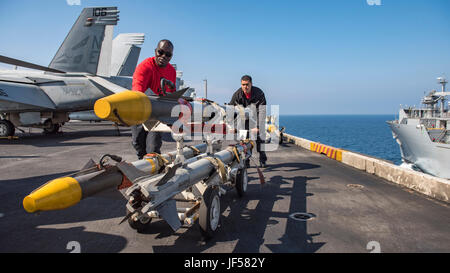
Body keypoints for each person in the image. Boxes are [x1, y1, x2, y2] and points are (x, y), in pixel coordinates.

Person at [131, 39, 176, 159]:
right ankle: (142, 165)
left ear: (171, 56)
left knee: (153, 147)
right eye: (160, 52)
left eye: (168, 54)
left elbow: (171, 95)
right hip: (140, 110)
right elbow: (137, 91)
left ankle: (154, 170)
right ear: (155, 51)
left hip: (156, 114)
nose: (163, 56)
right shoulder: (144, 67)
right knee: (138, 144)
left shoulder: (171, 71)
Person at [229, 75, 268, 168]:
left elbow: (262, 111)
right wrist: (232, 126)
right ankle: (246, 161)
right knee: (243, 140)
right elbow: (230, 110)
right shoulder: (237, 94)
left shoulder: (259, 93)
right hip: (243, 120)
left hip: (256, 118)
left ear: (251, 84)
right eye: (243, 85)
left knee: (260, 139)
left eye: (247, 84)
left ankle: (263, 160)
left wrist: (258, 126)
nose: (245, 87)